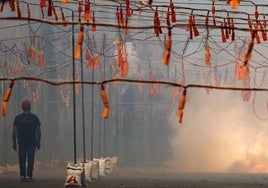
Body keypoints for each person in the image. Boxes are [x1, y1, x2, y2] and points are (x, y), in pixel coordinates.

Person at [12, 99, 41, 182]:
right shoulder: (34, 118)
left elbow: (14, 131)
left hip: (21, 142)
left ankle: (22, 176)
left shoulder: (18, 118)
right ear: (30, 107)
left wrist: (14, 142)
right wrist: (38, 142)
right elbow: (38, 131)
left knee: (22, 159)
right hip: (32, 142)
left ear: (22, 107)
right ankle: (29, 176)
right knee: (30, 159)